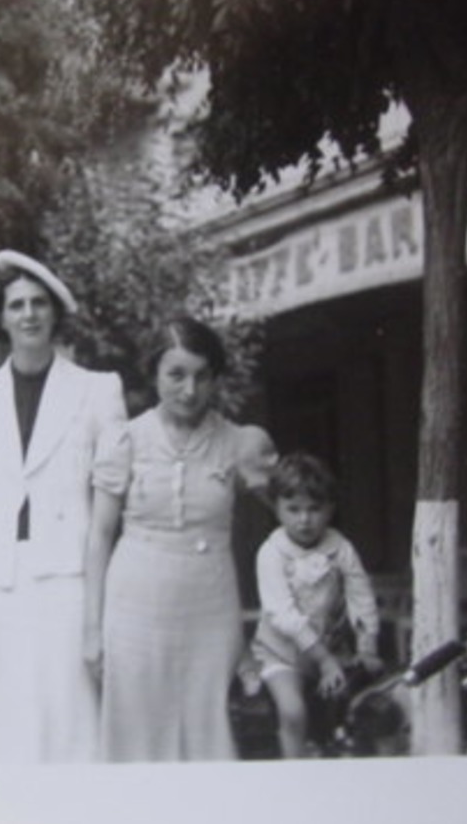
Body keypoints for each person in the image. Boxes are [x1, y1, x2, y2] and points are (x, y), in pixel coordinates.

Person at [0, 251, 127, 764]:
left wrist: (98, 613)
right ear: (3, 318)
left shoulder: (98, 391)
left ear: (54, 314)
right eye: (17, 305)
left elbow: (104, 511)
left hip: (65, 575)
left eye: (39, 304)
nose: (29, 314)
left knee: (66, 717)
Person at [86, 316, 278, 763]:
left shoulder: (240, 443)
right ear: (153, 374)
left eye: (201, 376)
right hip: (134, 607)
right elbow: (98, 536)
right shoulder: (124, 440)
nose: (190, 390)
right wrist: (91, 631)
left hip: (210, 607)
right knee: (135, 736)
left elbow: (294, 515)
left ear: (215, 377)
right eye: (176, 375)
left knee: (208, 730)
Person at [247, 452, 381, 760]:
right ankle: (296, 776)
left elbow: (360, 596)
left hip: (331, 652)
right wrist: (323, 661)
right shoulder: (272, 553)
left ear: (330, 508)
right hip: (283, 654)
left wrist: (367, 645)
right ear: (277, 508)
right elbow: (283, 614)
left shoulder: (340, 548)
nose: (304, 519)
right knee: (294, 711)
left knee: (354, 707)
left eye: (314, 509)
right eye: (293, 509)